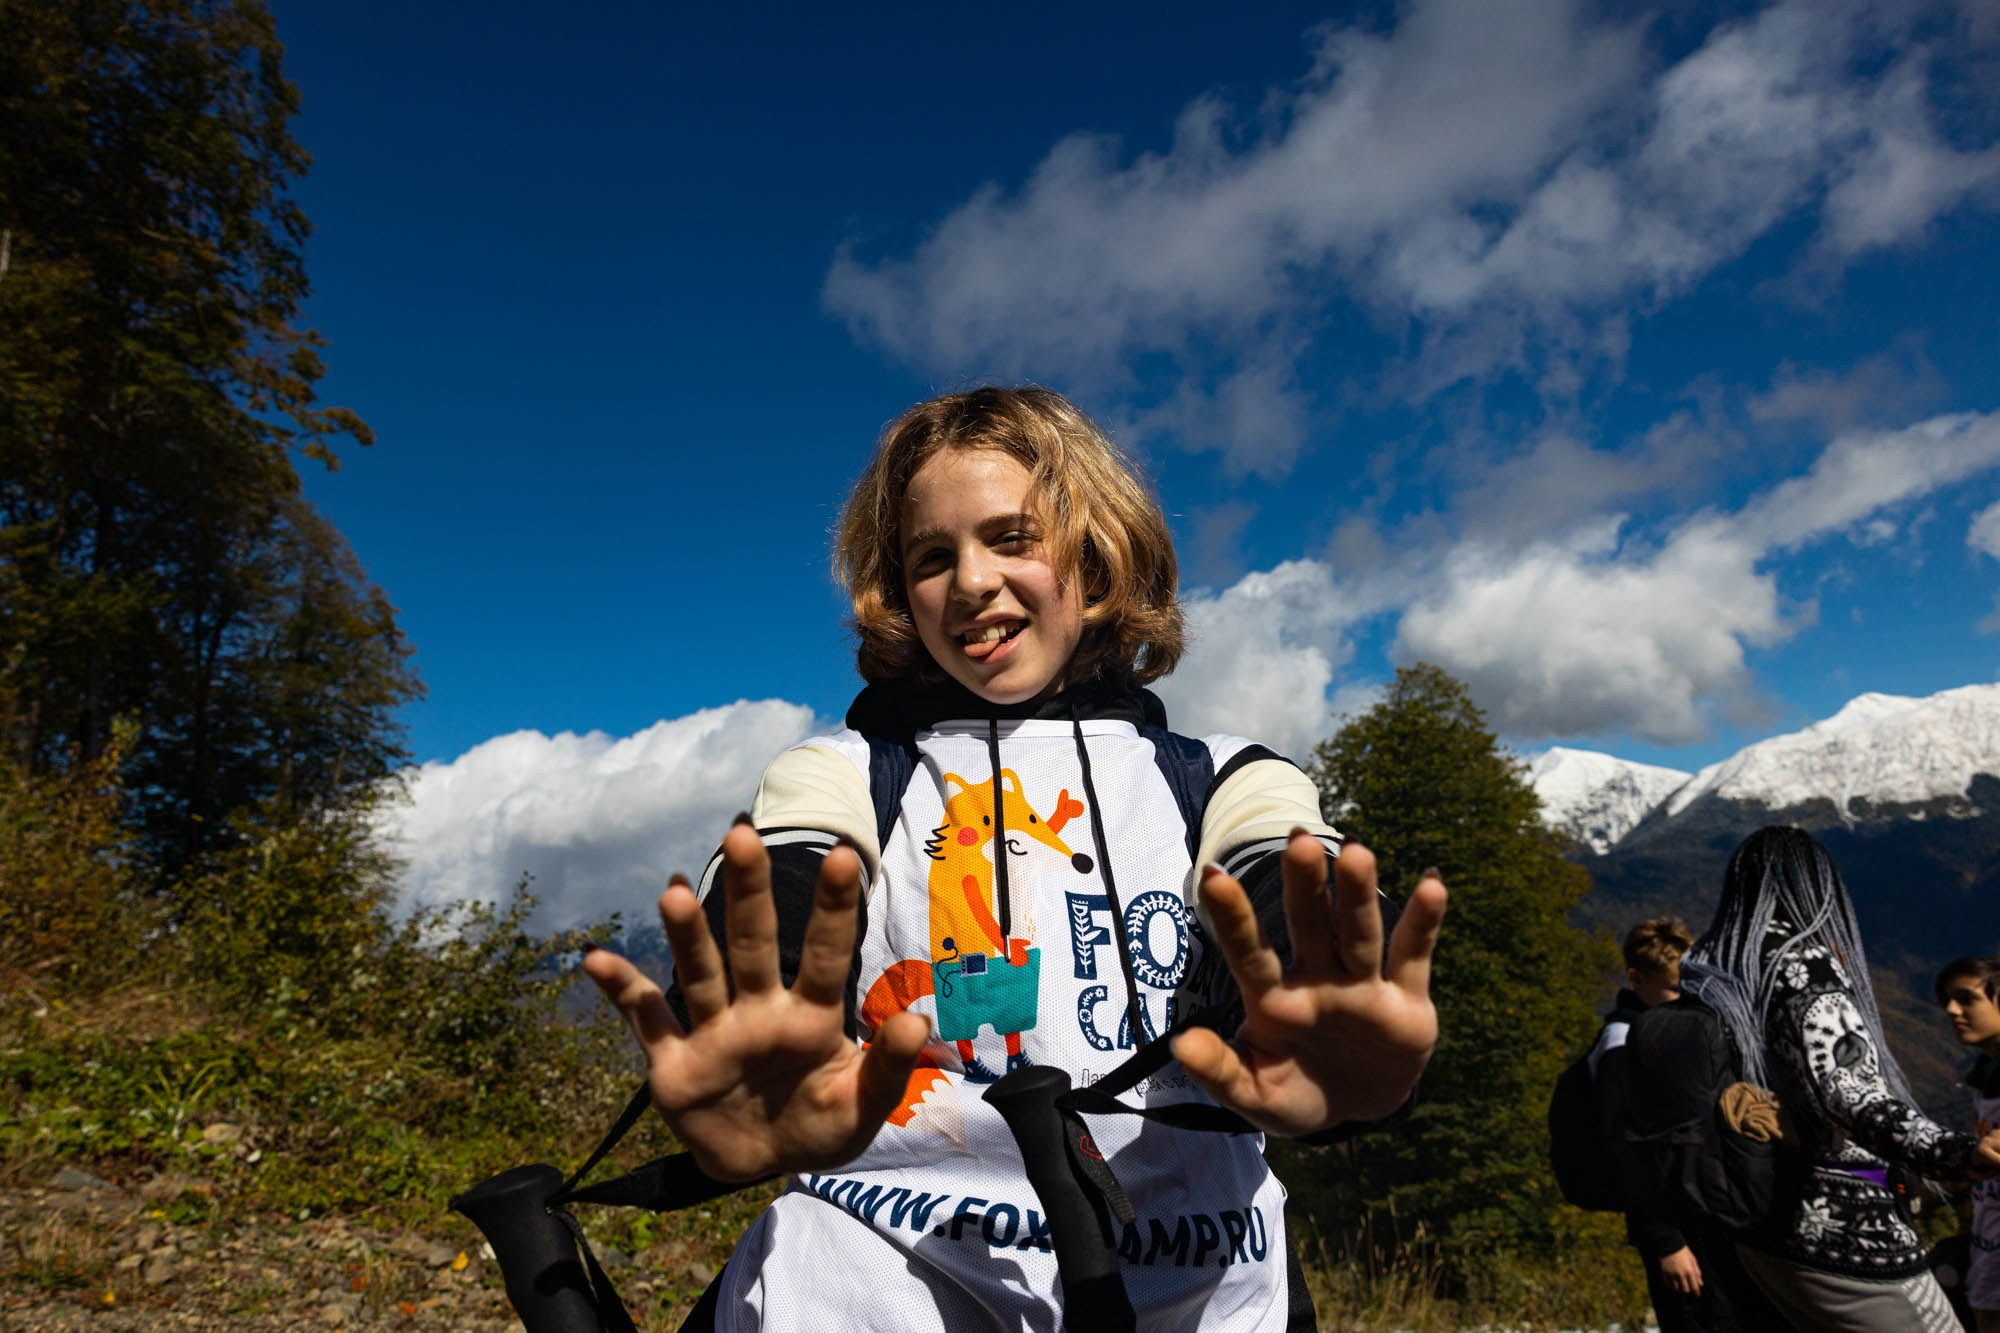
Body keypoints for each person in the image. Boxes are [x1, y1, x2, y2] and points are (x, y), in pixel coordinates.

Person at [580, 386, 1448, 1330]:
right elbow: (789, 866)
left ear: (1099, 554)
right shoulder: (844, 771)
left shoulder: (1221, 774)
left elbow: (1281, 868)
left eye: (1013, 538)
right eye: (931, 556)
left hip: (1206, 1290)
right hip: (867, 1283)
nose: (972, 581)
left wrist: (1340, 1027)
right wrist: (760, 1021)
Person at [1676, 826, 2000, 1333]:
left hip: (1755, 1219)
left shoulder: (1714, 970)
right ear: (1817, 886)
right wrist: (1955, 1153)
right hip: (1848, 1230)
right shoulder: (1803, 962)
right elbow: (1850, 1090)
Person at [1597, 917, 1764, 1331]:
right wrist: (1665, 1241)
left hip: (1718, 1220)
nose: (1684, 999)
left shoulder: (1684, 1031)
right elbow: (1624, 1146)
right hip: (1680, 1235)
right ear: (1636, 979)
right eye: (1672, 990)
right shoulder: (1621, 1044)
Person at [1937, 955, 2000, 1333]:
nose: (1951, 1010)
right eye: (1946, 999)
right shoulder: (1986, 1076)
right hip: (1986, 1267)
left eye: (1966, 998)